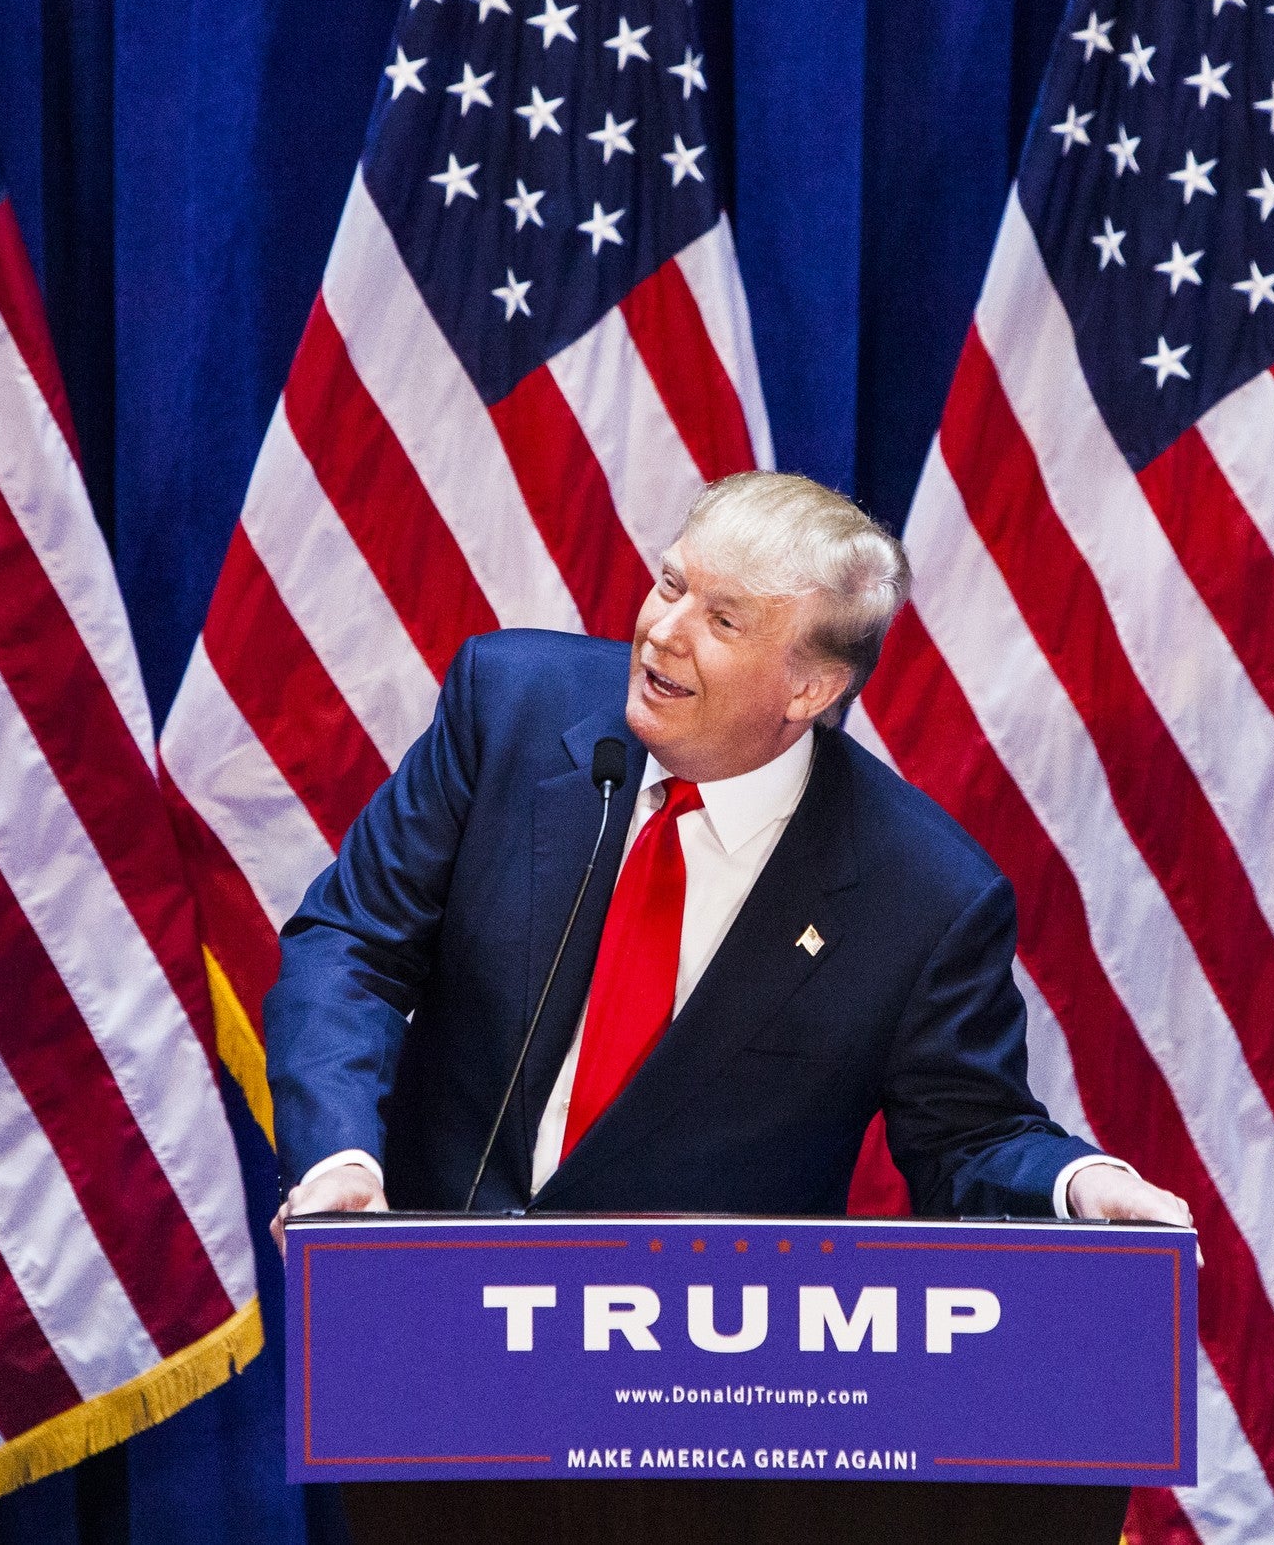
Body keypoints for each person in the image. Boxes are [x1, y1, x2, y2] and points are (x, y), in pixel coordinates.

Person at [266, 471, 1191, 1235]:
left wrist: (1079, 1186)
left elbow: (969, 1137)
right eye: (671, 585)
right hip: (428, 1336)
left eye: (725, 619)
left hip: (695, 1405)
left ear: (811, 687)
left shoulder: (923, 896)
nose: (661, 631)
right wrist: (341, 1155)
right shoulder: (508, 710)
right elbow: (352, 945)